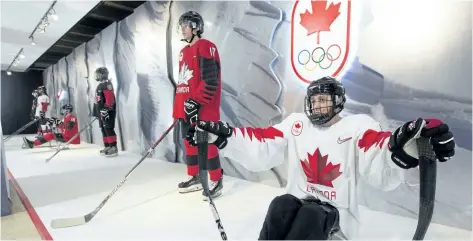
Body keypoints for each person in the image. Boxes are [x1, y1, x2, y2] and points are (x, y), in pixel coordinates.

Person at [185, 76, 456, 239]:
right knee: (280, 205)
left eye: (323, 100)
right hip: (299, 199)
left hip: (336, 211)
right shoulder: (297, 124)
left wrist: (404, 147)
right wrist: (224, 137)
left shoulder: (356, 126)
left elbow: (378, 147)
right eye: (313, 101)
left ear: (337, 101)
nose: (317, 106)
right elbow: (264, 141)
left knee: (311, 217)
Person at [172, 10, 224, 200]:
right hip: (185, 108)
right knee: (189, 143)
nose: (182, 29)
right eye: (182, 26)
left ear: (196, 27)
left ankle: (217, 180)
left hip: (203, 108)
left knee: (207, 143)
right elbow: (182, 83)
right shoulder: (183, 52)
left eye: (186, 25)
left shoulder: (206, 46)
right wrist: (179, 108)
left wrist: (196, 101)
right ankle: (194, 177)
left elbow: (211, 79)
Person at [93, 67, 118, 157]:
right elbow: (98, 100)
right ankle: (107, 145)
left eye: (98, 74)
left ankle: (113, 147)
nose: (97, 76)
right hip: (101, 112)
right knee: (103, 129)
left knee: (108, 128)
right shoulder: (101, 85)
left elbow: (110, 99)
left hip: (107, 111)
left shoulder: (107, 84)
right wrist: (96, 112)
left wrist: (106, 109)